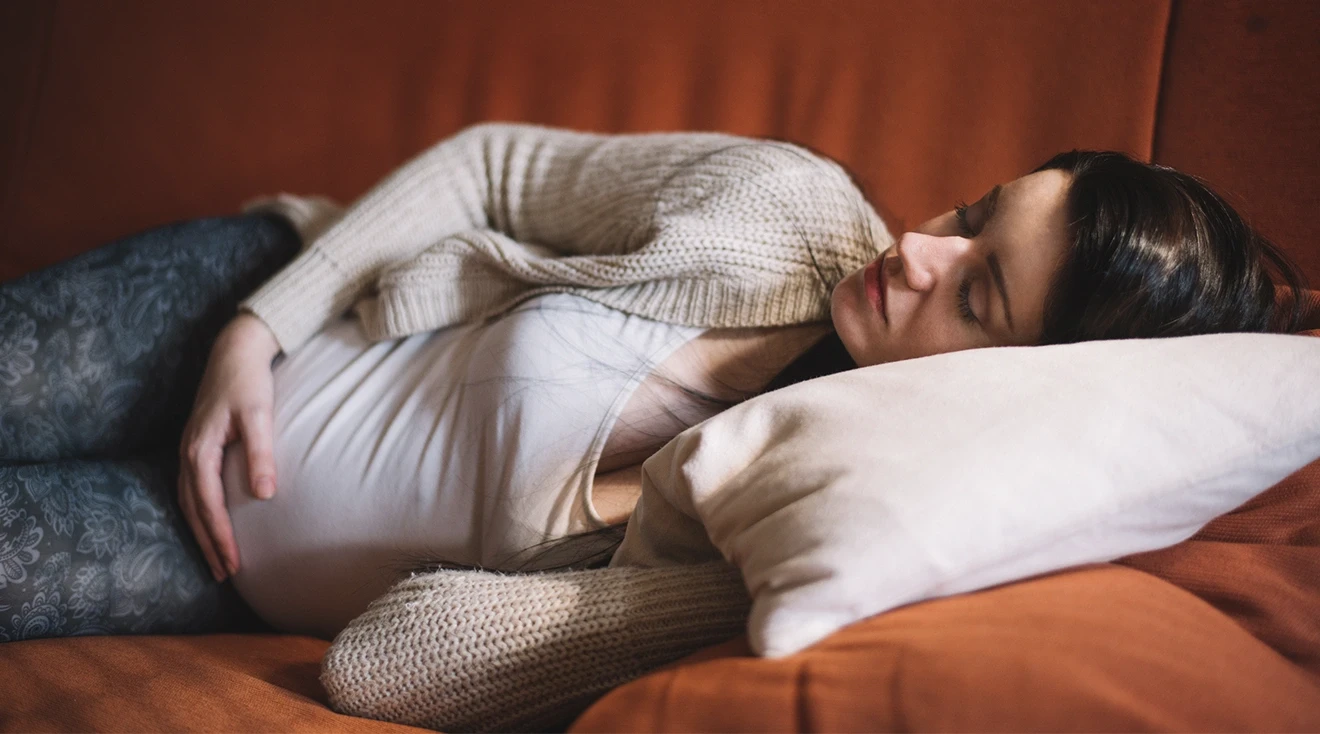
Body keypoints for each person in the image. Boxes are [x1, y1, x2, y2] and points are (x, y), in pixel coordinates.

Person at [0, 122, 1304, 648]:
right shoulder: (789, 208)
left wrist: (683, 579)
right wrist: (258, 326)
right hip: (246, 318)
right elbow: (497, 169)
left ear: (1020, 391)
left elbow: (385, 670)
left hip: (208, 557)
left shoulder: (772, 535)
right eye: (972, 213)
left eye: (978, 293)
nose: (916, 249)